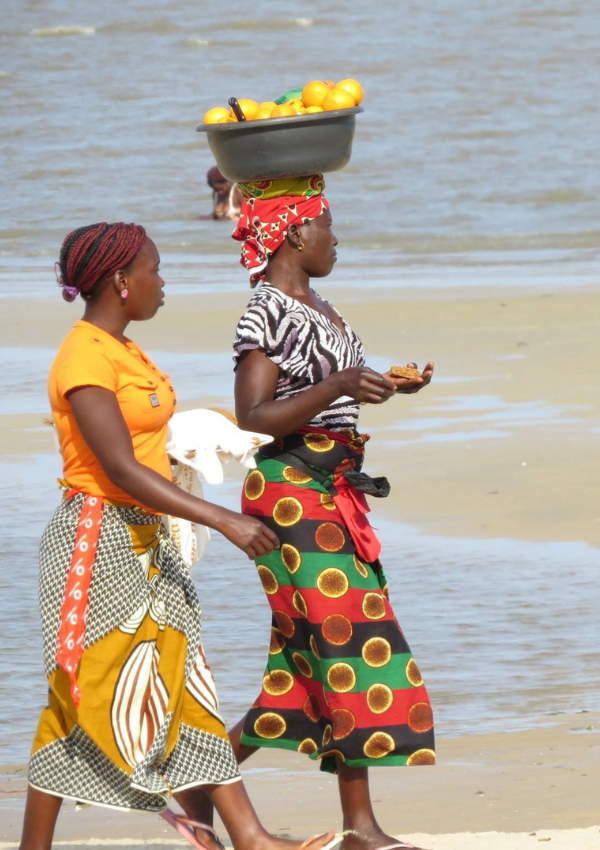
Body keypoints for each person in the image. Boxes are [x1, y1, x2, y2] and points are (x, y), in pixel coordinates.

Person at [19, 222, 334, 850]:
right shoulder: (83, 356)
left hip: (145, 535)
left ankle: (249, 839)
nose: (162, 283)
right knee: (80, 692)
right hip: (97, 539)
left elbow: (146, 441)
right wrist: (222, 517)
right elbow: (119, 467)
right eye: (154, 271)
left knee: (187, 676)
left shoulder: (125, 350)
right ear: (120, 280)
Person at [224, 176, 436, 850]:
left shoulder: (322, 305)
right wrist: (339, 384)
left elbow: (330, 395)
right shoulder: (265, 310)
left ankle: (201, 791)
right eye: (327, 227)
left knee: (306, 665)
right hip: (292, 493)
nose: (336, 238)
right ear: (294, 233)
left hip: (331, 490)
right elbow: (254, 417)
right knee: (348, 641)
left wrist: (379, 386)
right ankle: (360, 827)